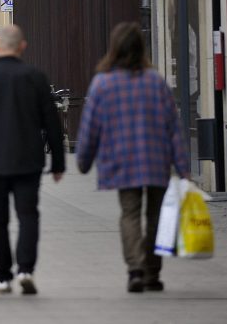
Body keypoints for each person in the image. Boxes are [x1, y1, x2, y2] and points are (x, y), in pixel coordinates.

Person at [76, 22, 190, 294]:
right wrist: (183, 167)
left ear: (114, 49)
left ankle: (135, 269)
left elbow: (90, 125)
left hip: (121, 159)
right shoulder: (155, 81)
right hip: (155, 159)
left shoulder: (102, 83)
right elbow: (173, 126)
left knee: (129, 214)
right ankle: (152, 272)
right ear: (141, 48)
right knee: (154, 217)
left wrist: (84, 159)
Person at [0, 25, 65, 296]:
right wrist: (59, 162)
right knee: (28, 215)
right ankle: (26, 270)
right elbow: (52, 122)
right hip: (28, 159)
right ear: (22, 47)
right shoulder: (35, 78)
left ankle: (2, 275)